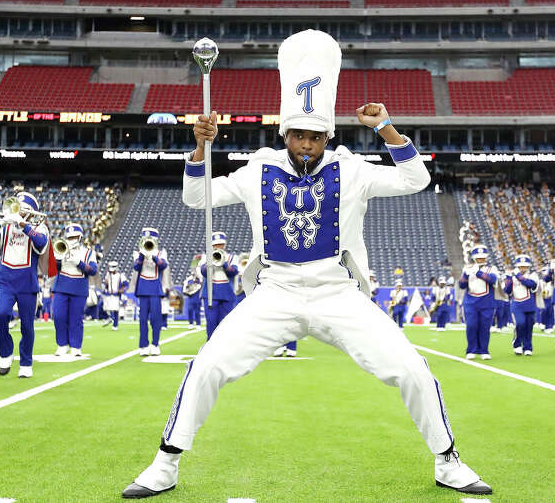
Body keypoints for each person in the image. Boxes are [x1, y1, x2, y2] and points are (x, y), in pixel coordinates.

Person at [121, 30, 490, 499]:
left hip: (339, 293)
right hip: (275, 293)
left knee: (412, 369)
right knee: (207, 364)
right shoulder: (258, 167)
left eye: (316, 136)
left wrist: (385, 128)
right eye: (299, 134)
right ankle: (165, 464)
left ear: (327, 136)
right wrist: (200, 148)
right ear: (285, 133)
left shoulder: (352, 167)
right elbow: (197, 199)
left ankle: (448, 460)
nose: (307, 144)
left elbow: (416, 179)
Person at [0, 191, 50, 377]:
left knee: (27, 325)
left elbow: (41, 243)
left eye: (23, 209)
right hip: (6, 280)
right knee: (0, 315)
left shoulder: (39, 227)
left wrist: (24, 225)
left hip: (27, 281)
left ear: (31, 212)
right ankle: (6, 352)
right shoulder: (6, 226)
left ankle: (26, 363)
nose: (18, 212)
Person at [51, 223, 97, 357]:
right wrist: (58, 259)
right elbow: (53, 269)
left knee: (76, 319)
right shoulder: (60, 249)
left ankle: (76, 346)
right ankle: (62, 345)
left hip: (79, 288)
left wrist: (79, 263)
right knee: (59, 316)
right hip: (61, 287)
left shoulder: (88, 252)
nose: (72, 240)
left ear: (80, 237)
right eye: (69, 237)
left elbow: (93, 271)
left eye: (74, 237)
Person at [129, 228, 171, 356]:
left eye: (150, 240)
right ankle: (144, 345)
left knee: (155, 318)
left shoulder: (161, 253)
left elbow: (163, 266)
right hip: (143, 288)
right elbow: (136, 267)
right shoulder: (137, 253)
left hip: (155, 289)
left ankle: (155, 344)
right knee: (142, 319)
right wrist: (142, 256)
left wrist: (153, 256)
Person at [459, 244, 497, 360]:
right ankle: (471, 349)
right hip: (471, 302)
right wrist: (465, 274)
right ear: (474, 258)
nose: (481, 259)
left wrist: (478, 273)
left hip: (487, 302)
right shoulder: (468, 268)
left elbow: (492, 280)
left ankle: (484, 350)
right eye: (478, 257)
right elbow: (462, 285)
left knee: (485, 327)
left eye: (483, 257)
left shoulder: (492, 269)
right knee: (471, 325)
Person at [198, 231, 238, 340]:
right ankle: (210, 346)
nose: (218, 247)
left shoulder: (232, 257)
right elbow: (203, 272)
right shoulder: (205, 257)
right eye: (215, 245)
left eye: (220, 244)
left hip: (227, 294)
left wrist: (223, 262)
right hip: (210, 294)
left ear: (224, 245)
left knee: (225, 324)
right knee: (211, 322)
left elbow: (233, 272)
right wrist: (210, 261)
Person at [505, 255, 538, 356]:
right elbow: (507, 290)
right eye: (520, 266)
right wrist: (509, 279)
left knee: (529, 326)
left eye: (525, 266)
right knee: (520, 323)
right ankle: (517, 343)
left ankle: (528, 347)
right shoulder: (512, 276)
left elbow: (531, 284)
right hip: (517, 304)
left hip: (529, 304)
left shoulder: (533, 275)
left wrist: (519, 276)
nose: (523, 268)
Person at [102, 261, 129, 330]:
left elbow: (126, 285)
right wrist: (106, 284)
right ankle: (110, 318)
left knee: (115, 309)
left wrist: (122, 290)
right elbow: (106, 285)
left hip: (116, 294)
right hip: (108, 294)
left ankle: (115, 325)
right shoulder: (107, 275)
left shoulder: (121, 275)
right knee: (103, 307)